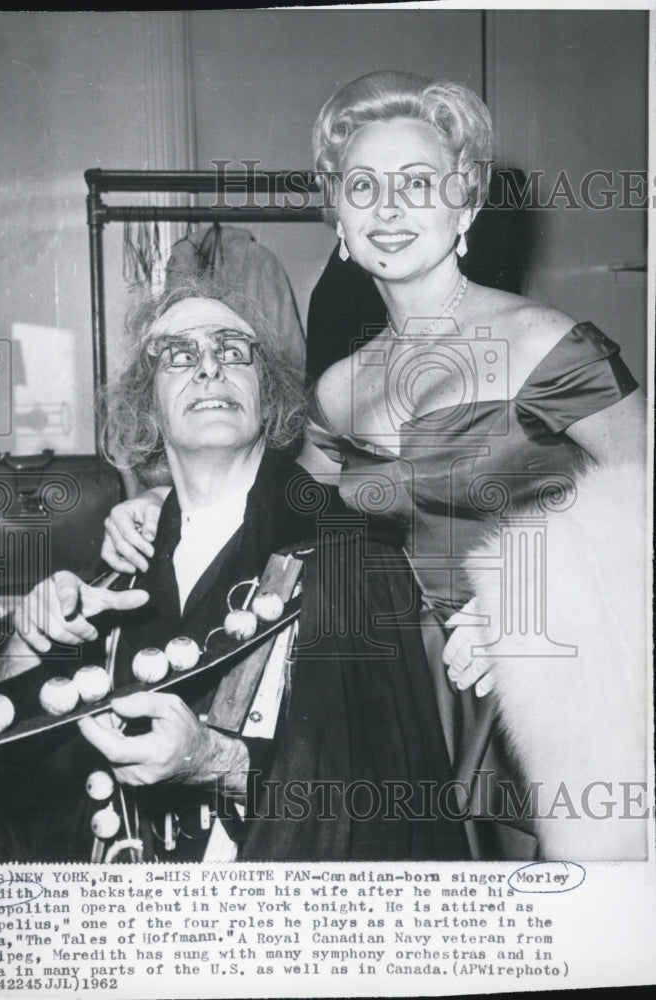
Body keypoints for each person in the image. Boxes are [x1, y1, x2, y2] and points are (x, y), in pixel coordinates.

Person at [105, 73, 647, 860]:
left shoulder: (546, 342)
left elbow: (645, 500)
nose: (388, 209)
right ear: (339, 216)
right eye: (362, 186)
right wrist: (155, 505)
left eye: (418, 184)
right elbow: (280, 505)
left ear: (464, 207)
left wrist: (530, 599)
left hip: (550, 692)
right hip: (401, 704)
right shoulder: (337, 387)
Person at [0, 276, 467, 863]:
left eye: (231, 351)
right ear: (147, 407)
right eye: (179, 355)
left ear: (268, 395)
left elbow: (388, 801)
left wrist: (217, 762)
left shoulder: (351, 555)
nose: (208, 369)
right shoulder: (117, 572)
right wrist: (26, 640)